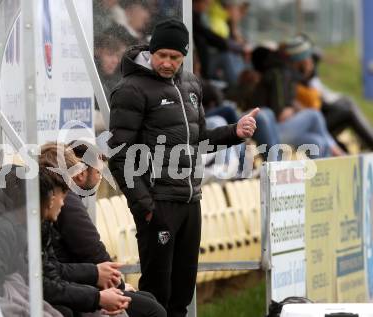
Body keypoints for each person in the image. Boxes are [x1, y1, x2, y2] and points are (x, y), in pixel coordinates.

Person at [108, 19, 258, 317]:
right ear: (151, 51)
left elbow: (199, 141)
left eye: (174, 57)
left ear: (184, 56)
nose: (166, 62)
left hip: (191, 201)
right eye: (161, 55)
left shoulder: (190, 84)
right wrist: (145, 206)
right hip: (158, 204)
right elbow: (119, 156)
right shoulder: (131, 89)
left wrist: (234, 132)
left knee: (183, 293)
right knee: (156, 295)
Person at [39, 142, 167, 317]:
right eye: (99, 172)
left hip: (75, 286)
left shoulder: (53, 205)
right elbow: (92, 250)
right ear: (80, 173)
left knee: (148, 300)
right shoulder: (69, 202)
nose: (100, 178)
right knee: (153, 310)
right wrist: (111, 288)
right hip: (74, 290)